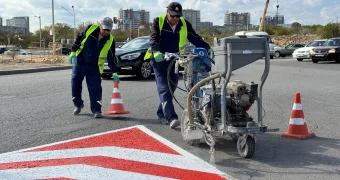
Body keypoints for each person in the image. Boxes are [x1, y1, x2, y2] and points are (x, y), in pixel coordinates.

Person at [144, 2, 213, 129]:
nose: (175, 19)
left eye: (177, 16)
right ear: (167, 13)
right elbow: (153, 38)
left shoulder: (184, 24)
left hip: (174, 60)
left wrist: (207, 48)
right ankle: (171, 117)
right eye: (173, 16)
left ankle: (161, 112)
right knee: (164, 88)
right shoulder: (158, 21)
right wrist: (156, 51)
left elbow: (195, 38)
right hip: (159, 60)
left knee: (171, 88)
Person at [69, 17, 120, 118]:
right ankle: (78, 104)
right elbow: (78, 39)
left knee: (95, 88)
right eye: (104, 29)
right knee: (75, 84)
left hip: (94, 66)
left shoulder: (110, 40)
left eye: (108, 30)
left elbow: (111, 57)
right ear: (100, 26)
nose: (106, 31)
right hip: (80, 62)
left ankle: (96, 110)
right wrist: (73, 51)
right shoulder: (90, 28)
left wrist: (114, 72)